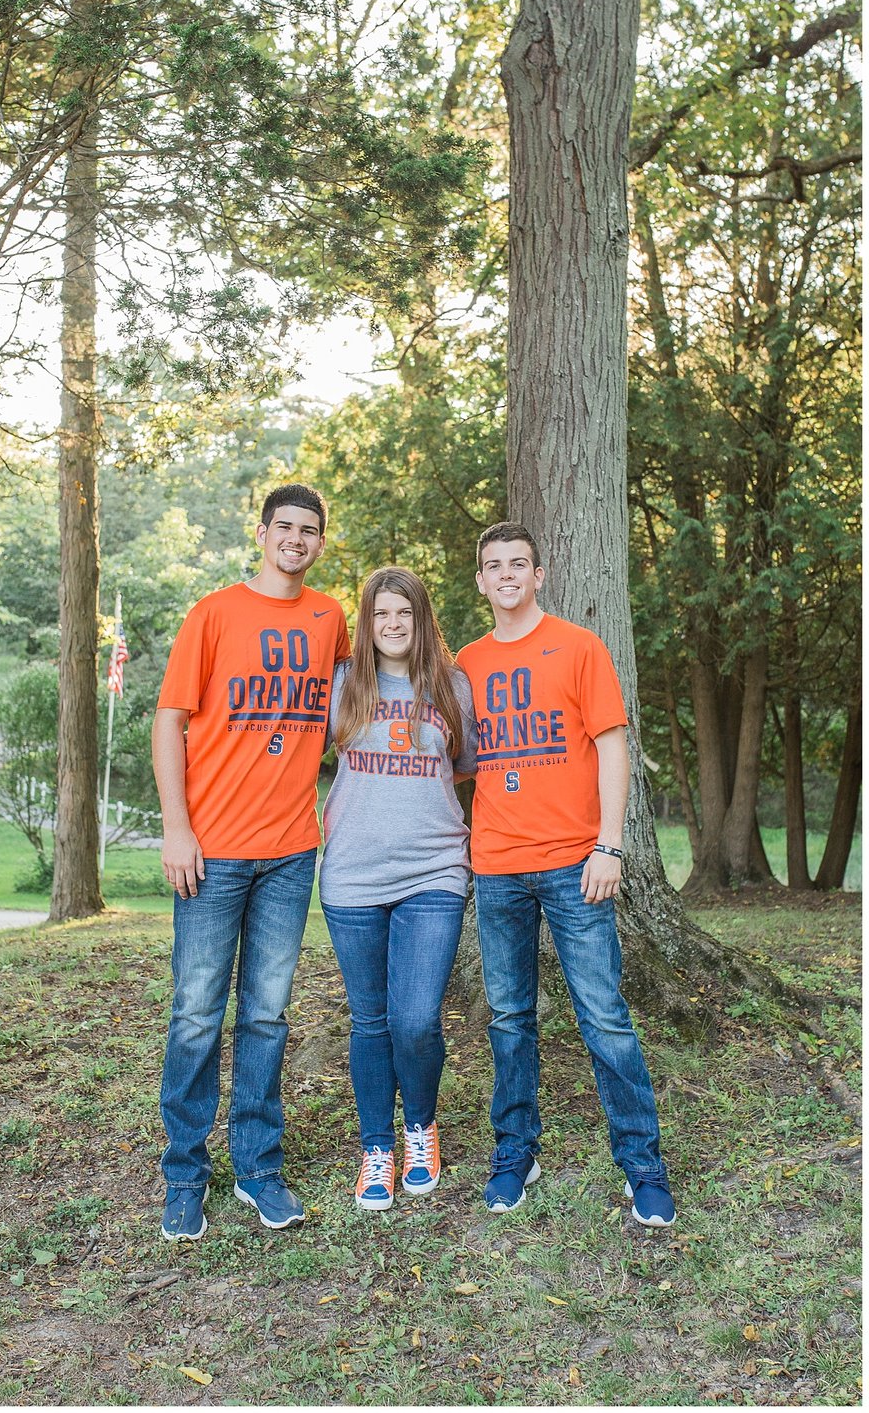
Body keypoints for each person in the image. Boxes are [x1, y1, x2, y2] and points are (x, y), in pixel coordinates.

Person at [456, 521, 675, 1227]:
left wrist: (609, 846)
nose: (508, 575)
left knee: (604, 1015)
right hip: (497, 868)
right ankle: (516, 1152)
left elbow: (613, 747)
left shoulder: (580, 647)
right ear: (482, 580)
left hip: (575, 864)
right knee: (511, 1017)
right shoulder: (466, 663)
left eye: (519, 563)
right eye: (495, 565)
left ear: (540, 574)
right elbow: (454, 759)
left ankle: (642, 1164)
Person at [152, 483, 350, 1240]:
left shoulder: (330, 618)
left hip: (291, 852)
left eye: (310, 530)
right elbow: (170, 722)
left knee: (266, 1015)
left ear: (319, 542)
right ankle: (183, 1175)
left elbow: (351, 704)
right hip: (213, 850)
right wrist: (178, 827)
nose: (296, 540)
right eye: (285, 527)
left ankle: (258, 1167)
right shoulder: (213, 613)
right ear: (262, 534)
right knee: (198, 1013)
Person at [319, 567, 477, 1211]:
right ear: (368, 621)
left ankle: (421, 1129)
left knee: (415, 1020)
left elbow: (464, 769)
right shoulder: (342, 687)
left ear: (421, 620)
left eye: (404, 614)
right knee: (371, 1020)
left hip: (435, 872)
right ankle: (376, 1147)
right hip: (352, 876)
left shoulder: (452, 687)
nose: (392, 625)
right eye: (381, 614)